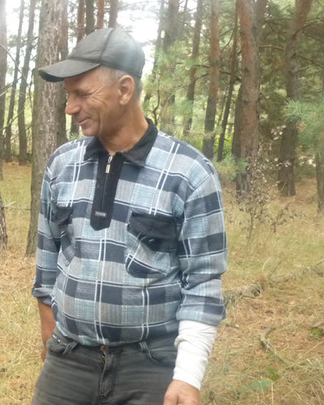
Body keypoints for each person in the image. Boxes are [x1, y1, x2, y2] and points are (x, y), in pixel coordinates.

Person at [30, 28, 227, 405]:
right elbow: (47, 261)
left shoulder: (189, 173)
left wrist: (187, 376)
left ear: (124, 89)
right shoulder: (62, 164)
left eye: (82, 94)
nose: (70, 107)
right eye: (68, 94)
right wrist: (50, 342)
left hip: (150, 364)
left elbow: (203, 283)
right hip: (69, 359)